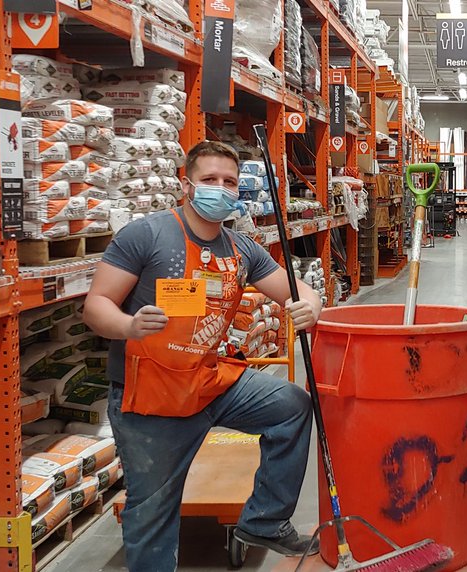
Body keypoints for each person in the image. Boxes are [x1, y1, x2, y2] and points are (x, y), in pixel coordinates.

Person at [84, 140, 324, 571]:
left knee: (291, 406)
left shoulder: (241, 249)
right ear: (187, 184)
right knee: (152, 511)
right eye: (209, 180)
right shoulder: (147, 235)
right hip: (151, 397)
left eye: (229, 182)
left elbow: (295, 288)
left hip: (209, 381)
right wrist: (128, 326)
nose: (220, 188)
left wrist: (312, 301)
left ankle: (265, 521)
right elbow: (96, 305)